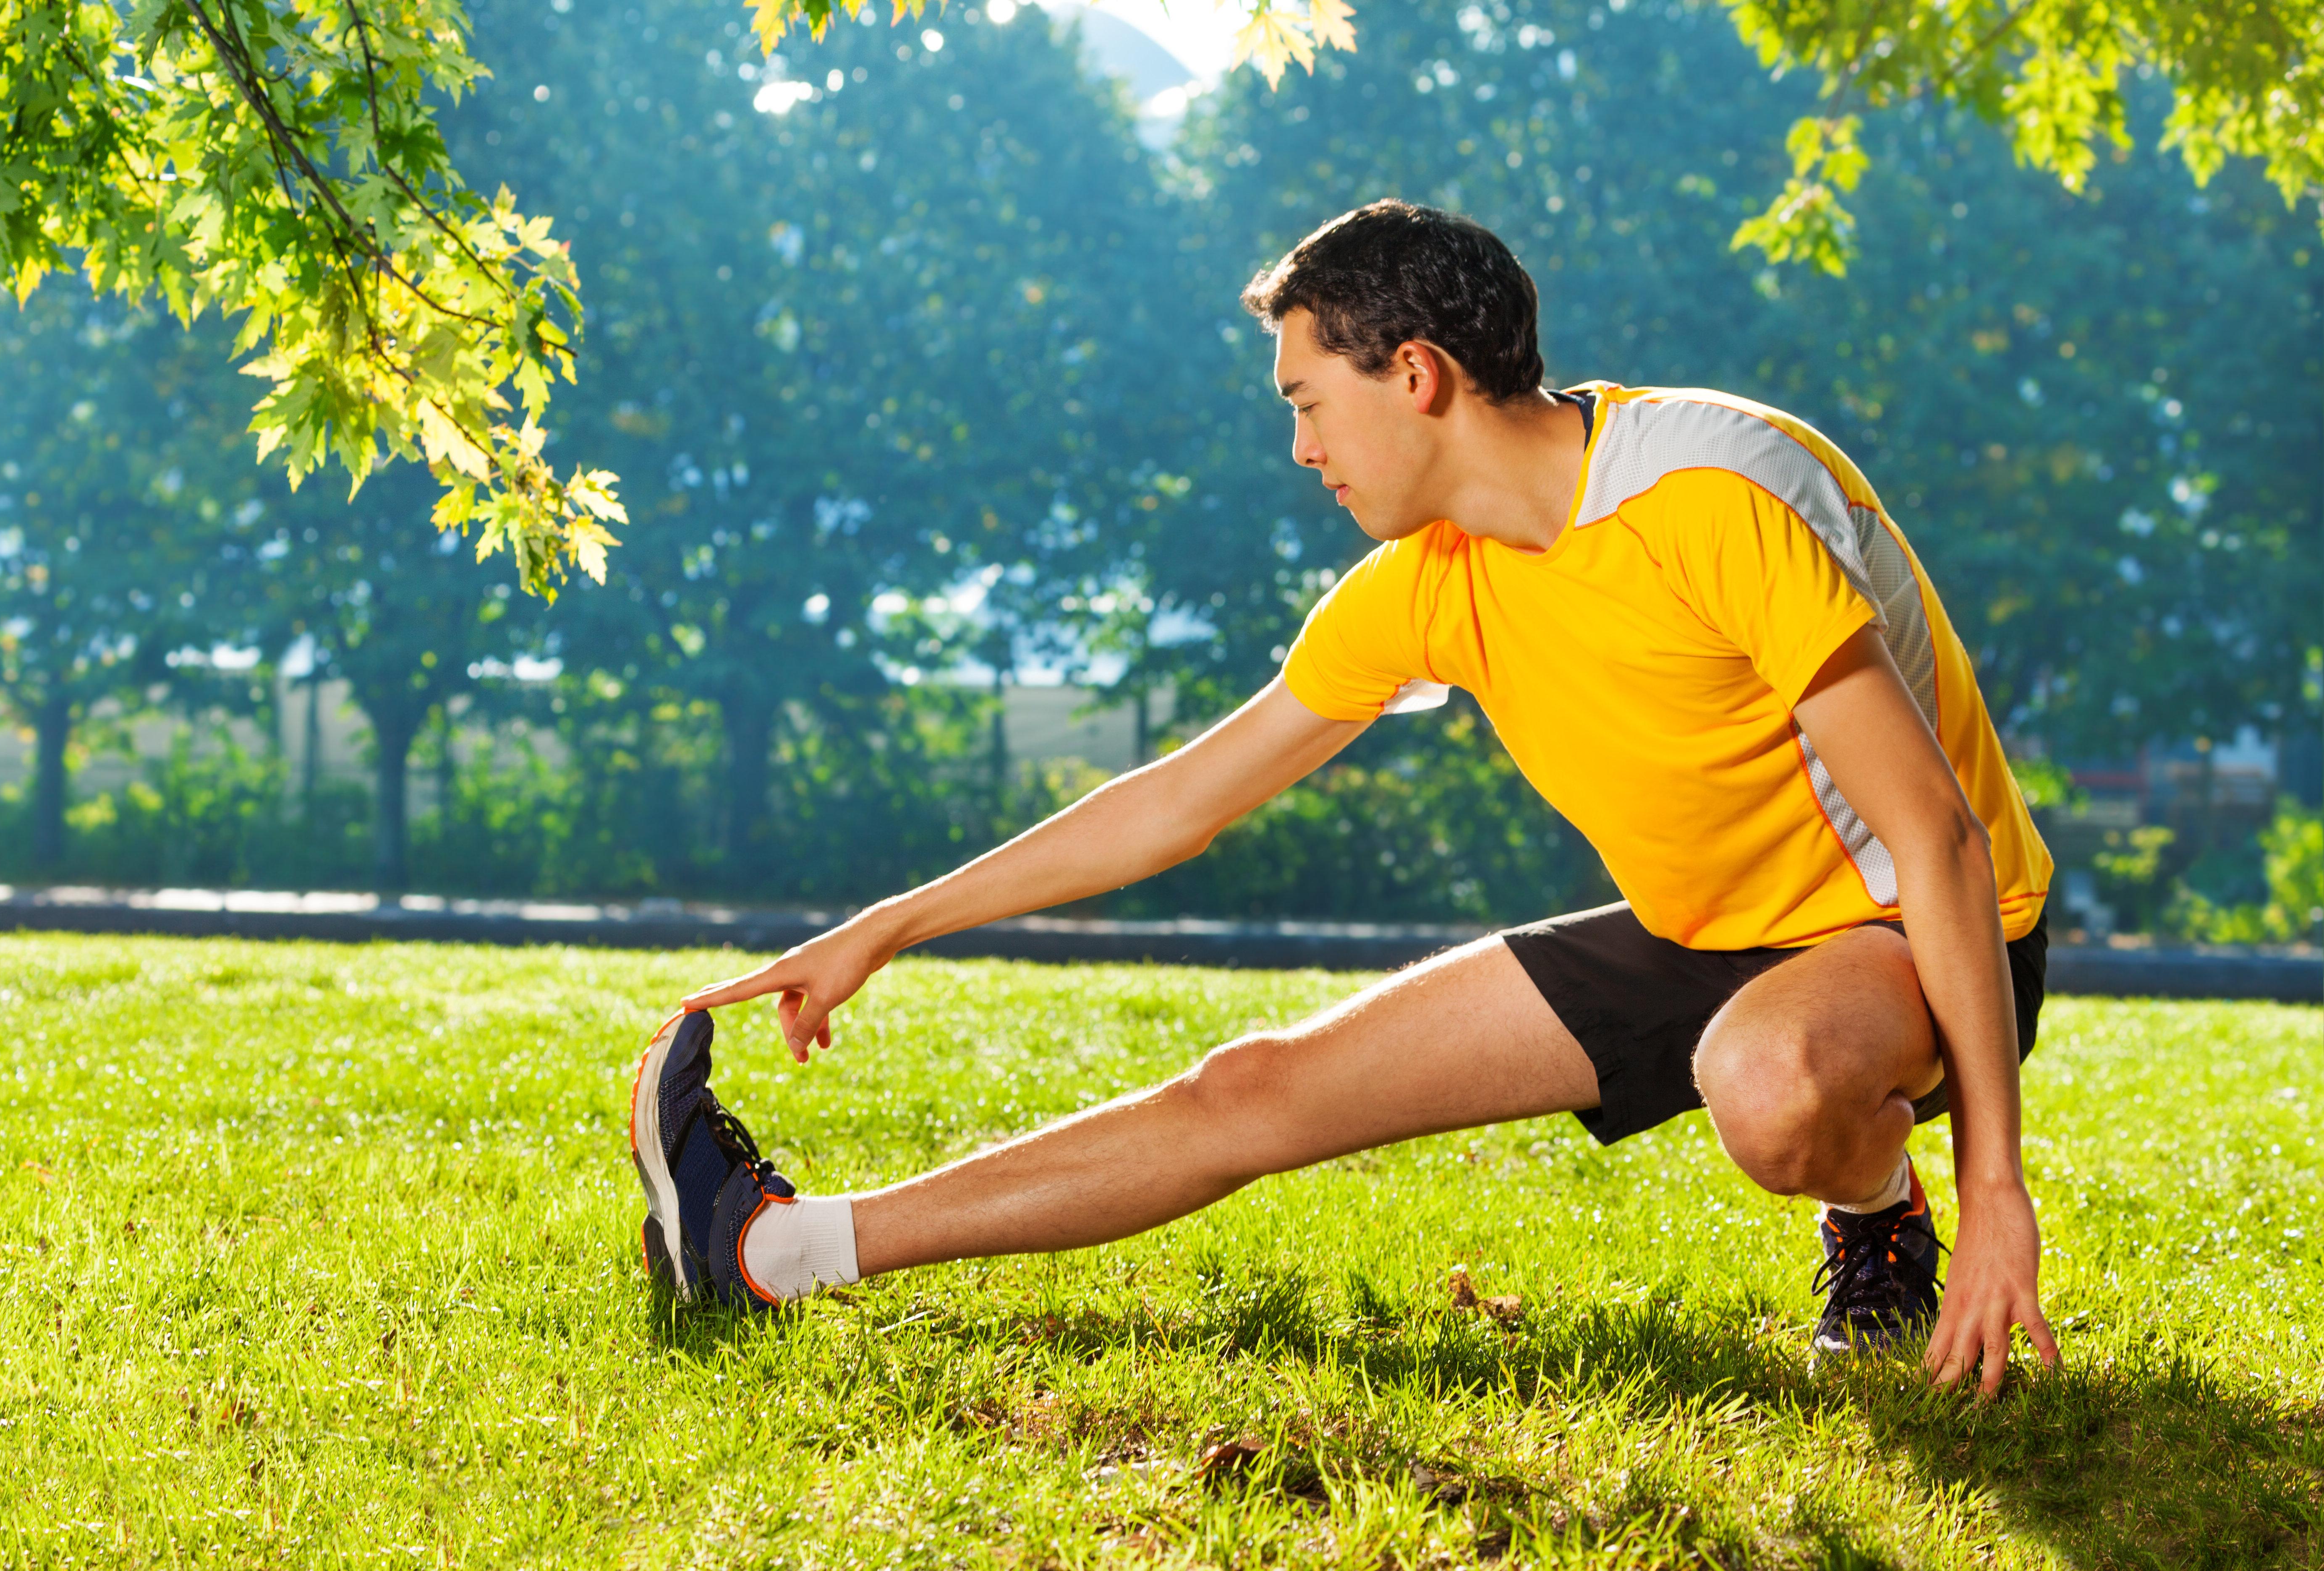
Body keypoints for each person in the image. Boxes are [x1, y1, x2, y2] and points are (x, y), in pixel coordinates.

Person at [629, 199, 2060, 1395]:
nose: (1303, 449)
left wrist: (1997, 1189)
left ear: (1416, 375)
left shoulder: (1710, 492)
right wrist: (891, 924)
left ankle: (1881, 1224)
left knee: (1768, 1078)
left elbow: (1937, 836)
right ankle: (769, 1251)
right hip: (1707, 928)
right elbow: (1179, 803)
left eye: (1310, 403)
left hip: (1924, 930)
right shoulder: (1425, 584)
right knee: (1251, 1091)